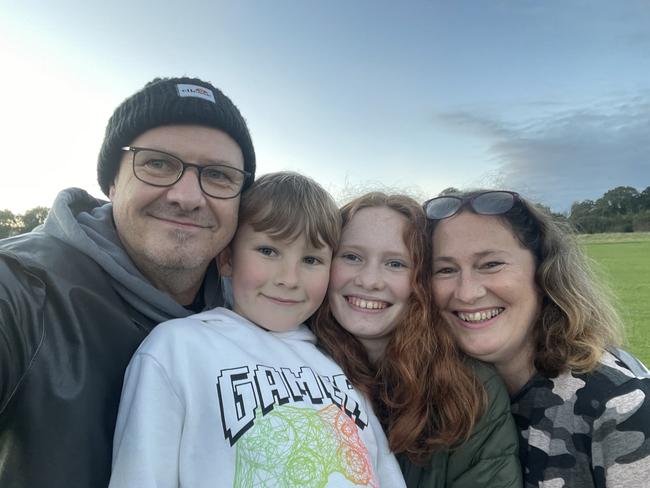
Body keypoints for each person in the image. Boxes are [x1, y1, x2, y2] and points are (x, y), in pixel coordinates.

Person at [0, 76, 256, 488]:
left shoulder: (258, 310)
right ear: (113, 182)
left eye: (219, 175)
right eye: (157, 163)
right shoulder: (22, 290)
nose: (187, 196)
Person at [109, 172, 406, 487]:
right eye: (268, 251)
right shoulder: (178, 347)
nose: (289, 279)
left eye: (311, 259)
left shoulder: (340, 366)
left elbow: (383, 474)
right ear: (226, 259)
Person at [425, 189, 650, 487]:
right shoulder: (433, 397)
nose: (467, 292)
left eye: (491, 264)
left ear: (543, 272)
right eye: (445, 269)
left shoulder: (620, 404)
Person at [312, 192, 522, 487]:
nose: (370, 280)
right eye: (352, 257)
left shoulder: (472, 391)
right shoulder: (281, 368)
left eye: (396, 263)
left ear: (421, 280)